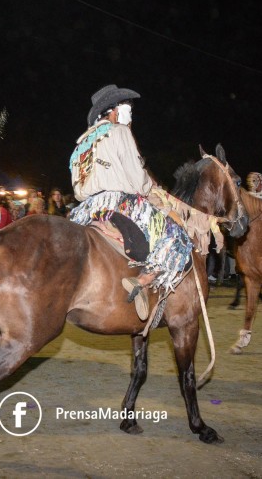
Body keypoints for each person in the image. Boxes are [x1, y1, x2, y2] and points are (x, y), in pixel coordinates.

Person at [68, 84, 193, 321]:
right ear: (113, 111)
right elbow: (137, 180)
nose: (130, 116)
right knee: (177, 236)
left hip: (85, 209)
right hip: (119, 202)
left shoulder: (80, 145)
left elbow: (77, 188)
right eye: (128, 110)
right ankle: (144, 280)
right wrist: (151, 189)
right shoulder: (119, 132)